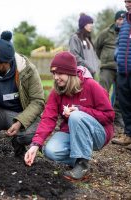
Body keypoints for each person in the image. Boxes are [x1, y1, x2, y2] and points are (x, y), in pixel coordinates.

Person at [24, 51, 114, 181]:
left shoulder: (92, 86)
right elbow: (48, 118)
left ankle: (82, 164)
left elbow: (109, 116)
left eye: (60, 73)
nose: (56, 77)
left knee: (76, 116)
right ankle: (81, 161)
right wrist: (35, 144)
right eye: (54, 73)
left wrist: (80, 110)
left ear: (70, 73)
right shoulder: (57, 92)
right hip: (71, 132)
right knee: (51, 151)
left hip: (98, 133)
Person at [94, 10, 126, 131]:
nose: (121, 22)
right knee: (102, 92)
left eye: (123, 19)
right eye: (119, 19)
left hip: (121, 68)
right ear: (115, 20)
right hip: (107, 67)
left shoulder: (126, 32)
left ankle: (117, 118)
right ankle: (100, 117)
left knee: (120, 94)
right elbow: (97, 47)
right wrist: (104, 58)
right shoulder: (106, 33)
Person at [111, 0, 131, 150]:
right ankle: (128, 134)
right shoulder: (124, 21)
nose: (127, 4)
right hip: (123, 71)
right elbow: (119, 43)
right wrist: (117, 56)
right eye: (126, 1)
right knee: (124, 103)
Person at [69, 13, 100, 78]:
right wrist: (88, 67)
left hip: (91, 74)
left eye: (92, 23)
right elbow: (74, 56)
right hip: (82, 74)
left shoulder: (88, 39)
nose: (91, 25)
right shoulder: (75, 37)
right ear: (83, 25)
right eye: (89, 23)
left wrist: (95, 67)